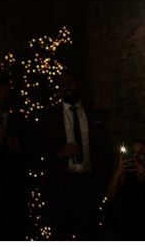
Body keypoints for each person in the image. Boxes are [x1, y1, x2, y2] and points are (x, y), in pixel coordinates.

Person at [38, 71, 113, 240]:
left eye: (70, 83)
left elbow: (105, 148)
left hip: (90, 184)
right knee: (61, 233)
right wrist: (59, 152)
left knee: (91, 233)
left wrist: (103, 178)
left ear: (78, 84)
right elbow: (39, 148)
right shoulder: (49, 117)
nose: (67, 87)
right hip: (62, 185)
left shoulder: (94, 115)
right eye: (62, 85)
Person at [0, 76, 31, 240]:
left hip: (14, 186)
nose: (3, 96)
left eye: (6, 92)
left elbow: (31, 150)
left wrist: (19, 147)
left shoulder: (20, 121)